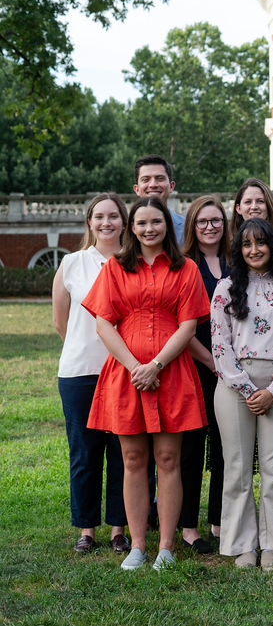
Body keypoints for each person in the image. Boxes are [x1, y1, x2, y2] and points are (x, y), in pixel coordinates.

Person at [82, 197, 209, 571]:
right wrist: (135, 366)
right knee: (133, 460)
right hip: (126, 375)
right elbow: (103, 322)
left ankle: (166, 547)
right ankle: (138, 545)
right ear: (131, 227)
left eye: (156, 222)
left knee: (169, 459)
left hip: (171, 373)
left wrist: (154, 364)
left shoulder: (185, 268)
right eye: (141, 223)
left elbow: (189, 325)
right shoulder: (115, 269)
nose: (149, 228)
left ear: (167, 227)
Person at [210, 218, 273, 571]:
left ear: (272, 246)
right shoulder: (225, 289)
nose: (254, 250)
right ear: (239, 249)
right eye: (247, 244)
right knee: (237, 467)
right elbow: (220, 346)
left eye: (261, 243)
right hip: (235, 386)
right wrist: (249, 390)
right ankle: (241, 543)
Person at [52, 192, 130, 555]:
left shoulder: (134, 264)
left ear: (124, 222)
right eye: (99, 216)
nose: (106, 223)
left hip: (125, 373)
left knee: (123, 452)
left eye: (113, 216)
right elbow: (61, 322)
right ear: (89, 222)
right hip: (79, 372)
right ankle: (87, 529)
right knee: (84, 452)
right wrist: (86, 349)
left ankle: (118, 528)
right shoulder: (71, 264)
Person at [178, 195, 231, 554]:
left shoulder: (235, 261)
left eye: (215, 221)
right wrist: (213, 361)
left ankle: (219, 519)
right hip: (196, 367)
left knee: (227, 446)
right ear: (192, 226)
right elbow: (181, 326)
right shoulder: (183, 265)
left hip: (232, 371)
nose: (210, 227)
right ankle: (187, 527)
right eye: (202, 221)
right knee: (192, 448)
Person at [133, 154, 184, 244]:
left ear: (171, 186)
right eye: (145, 179)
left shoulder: (187, 227)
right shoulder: (122, 228)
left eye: (160, 178)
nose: (153, 184)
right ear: (136, 189)